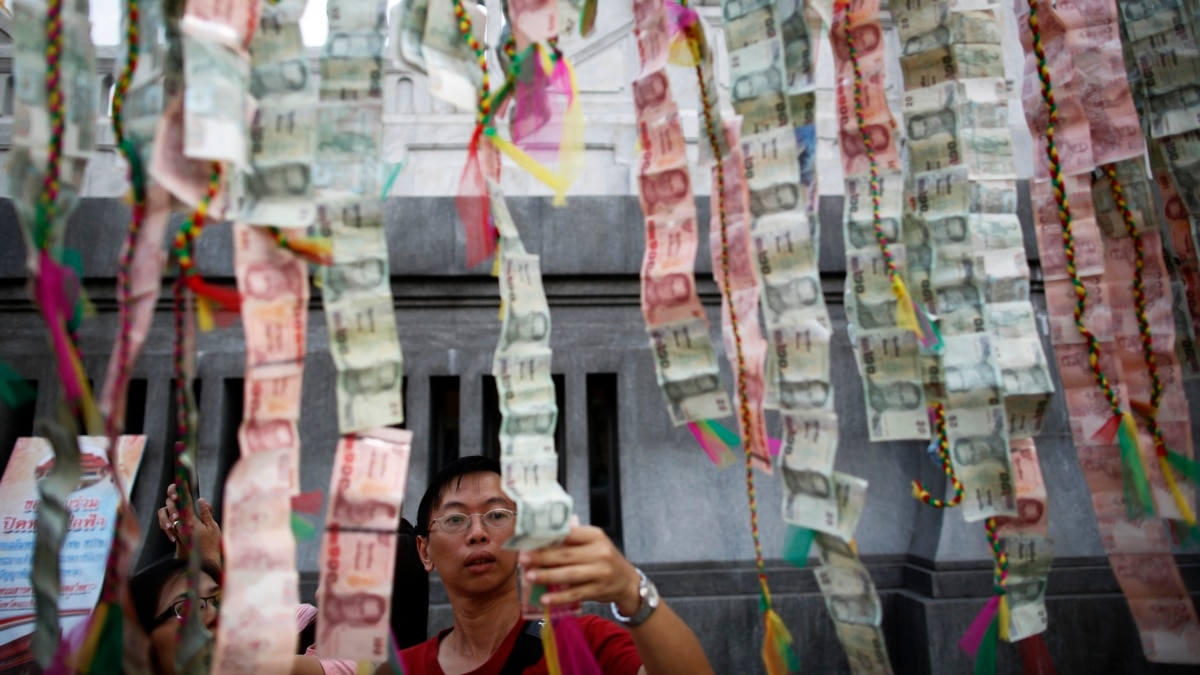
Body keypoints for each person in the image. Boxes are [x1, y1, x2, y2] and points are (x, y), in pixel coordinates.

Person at [395, 456, 714, 674]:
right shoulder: (401, 668)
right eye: (455, 519)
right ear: (424, 551)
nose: (477, 533)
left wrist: (632, 591)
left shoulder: (585, 642)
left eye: (496, 515)